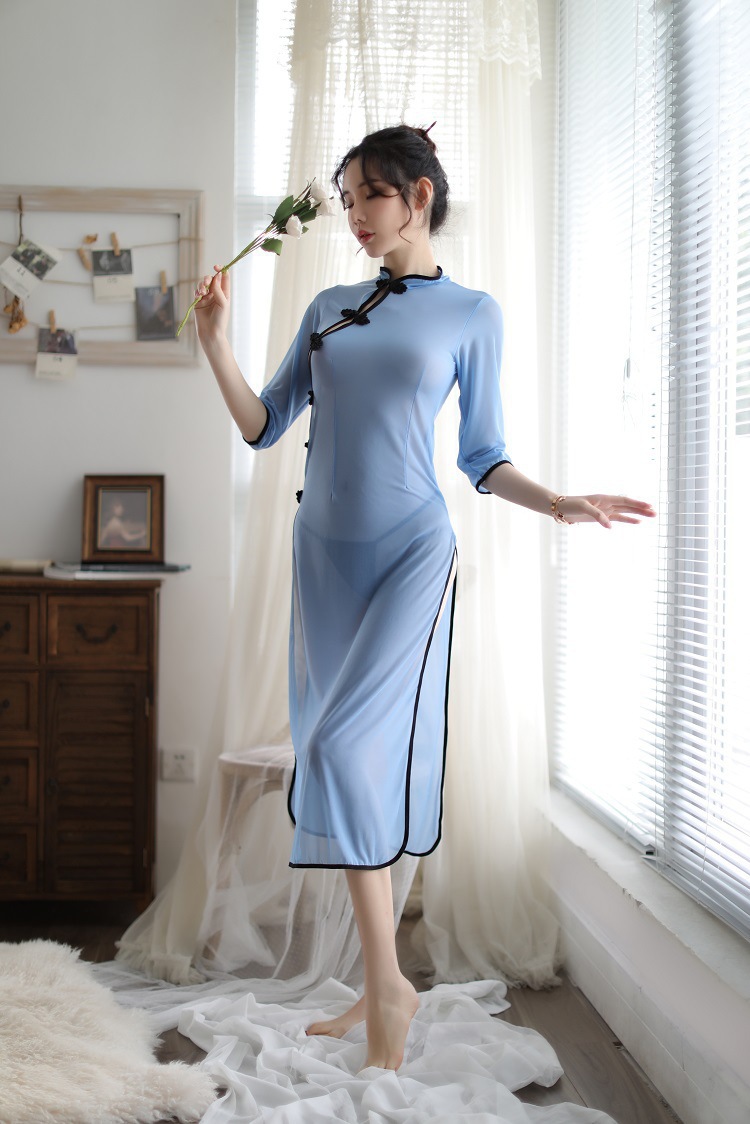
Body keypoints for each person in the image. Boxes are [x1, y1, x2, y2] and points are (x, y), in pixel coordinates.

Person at [192, 124, 655, 1073]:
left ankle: (388, 989)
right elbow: (263, 426)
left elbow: (482, 454)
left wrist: (560, 501)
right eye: (347, 199)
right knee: (344, 757)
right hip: (323, 555)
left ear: (420, 196)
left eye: (370, 195)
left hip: (411, 550)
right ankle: (381, 983)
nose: (355, 215)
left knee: (337, 746)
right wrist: (214, 343)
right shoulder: (328, 307)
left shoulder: (473, 314)